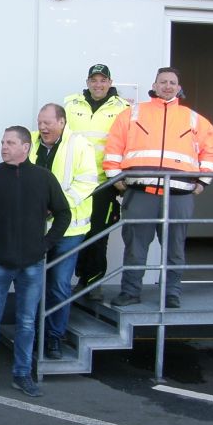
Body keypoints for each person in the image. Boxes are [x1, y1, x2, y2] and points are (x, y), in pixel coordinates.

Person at [0, 127, 70, 398]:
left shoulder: (44, 178)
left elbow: (63, 214)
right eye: (2, 142)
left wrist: (46, 244)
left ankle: (22, 374)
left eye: (10, 142)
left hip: (32, 263)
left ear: (26, 147)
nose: (4, 147)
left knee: (26, 322)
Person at [105, 67, 213, 308]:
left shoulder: (194, 118)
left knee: (174, 249)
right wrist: (116, 179)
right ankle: (130, 292)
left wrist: (203, 182)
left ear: (178, 88)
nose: (167, 86)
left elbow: (210, 150)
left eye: (172, 82)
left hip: (179, 196)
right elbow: (113, 146)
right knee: (135, 247)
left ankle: (171, 294)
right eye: (163, 82)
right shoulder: (132, 114)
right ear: (154, 85)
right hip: (140, 194)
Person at [31, 103, 97, 359]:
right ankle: (34, 334)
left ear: (62, 122)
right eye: (39, 122)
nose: (42, 127)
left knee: (59, 285)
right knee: (35, 284)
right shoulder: (31, 142)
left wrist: (55, 205)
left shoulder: (80, 145)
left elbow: (86, 182)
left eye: (47, 122)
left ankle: (54, 338)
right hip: (36, 229)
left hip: (69, 230)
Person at [63, 64, 130, 300]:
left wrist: (122, 178)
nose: (98, 84)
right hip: (76, 184)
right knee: (74, 234)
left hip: (105, 184)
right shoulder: (71, 105)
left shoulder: (125, 108)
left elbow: (129, 144)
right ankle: (78, 278)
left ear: (110, 82)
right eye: (94, 80)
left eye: (103, 80)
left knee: (98, 235)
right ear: (88, 81)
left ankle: (92, 284)